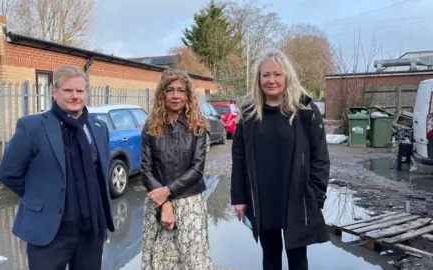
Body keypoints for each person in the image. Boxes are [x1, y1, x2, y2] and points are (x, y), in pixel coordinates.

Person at [0, 65, 115, 270]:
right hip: (50, 232)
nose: (75, 96)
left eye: (80, 91)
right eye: (68, 90)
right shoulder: (32, 126)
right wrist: (41, 196)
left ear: (86, 93)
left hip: (91, 228)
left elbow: (99, 174)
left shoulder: (98, 127)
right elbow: (8, 173)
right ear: (54, 91)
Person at [231, 48, 330, 270]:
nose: (271, 80)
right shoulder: (248, 113)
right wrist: (239, 197)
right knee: (271, 254)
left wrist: (315, 195)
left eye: (277, 74)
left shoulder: (305, 110)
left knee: (297, 257)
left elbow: (320, 157)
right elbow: (239, 158)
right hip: (263, 197)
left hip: (297, 197)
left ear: (287, 77)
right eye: (265, 75)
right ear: (258, 79)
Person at [140, 69, 212, 269]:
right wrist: (164, 204)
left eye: (181, 90)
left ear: (188, 95)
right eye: (170, 90)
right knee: (160, 262)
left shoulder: (198, 126)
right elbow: (146, 170)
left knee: (193, 262)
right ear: (162, 93)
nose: (175, 96)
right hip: (157, 202)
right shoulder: (150, 126)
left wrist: (167, 192)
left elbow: (197, 169)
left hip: (190, 204)